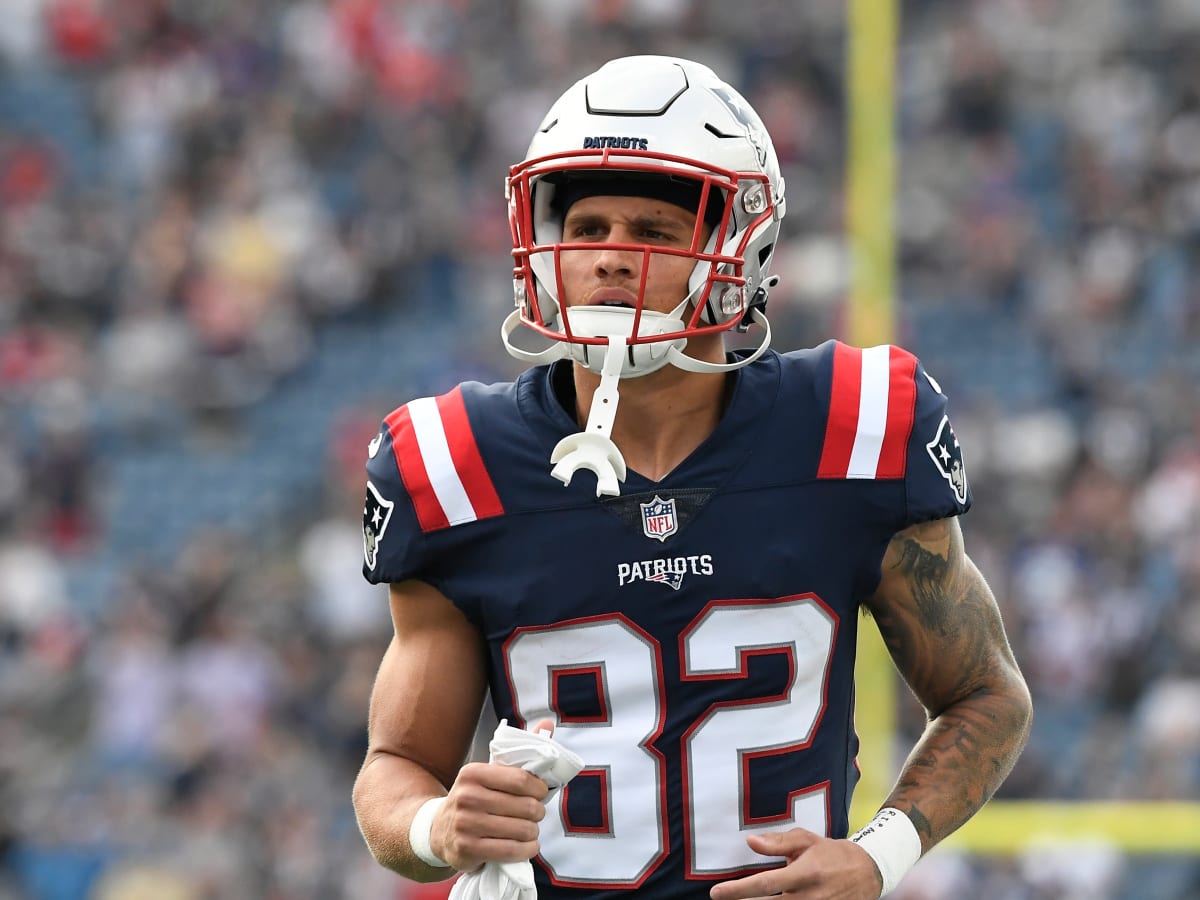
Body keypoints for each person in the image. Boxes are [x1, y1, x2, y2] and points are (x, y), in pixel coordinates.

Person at [352, 54, 1032, 899]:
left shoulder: (851, 429)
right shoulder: (457, 463)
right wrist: (435, 825)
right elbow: (396, 768)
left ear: (738, 246)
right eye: (588, 227)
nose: (609, 258)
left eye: (653, 232)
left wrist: (879, 855)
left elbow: (986, 695)